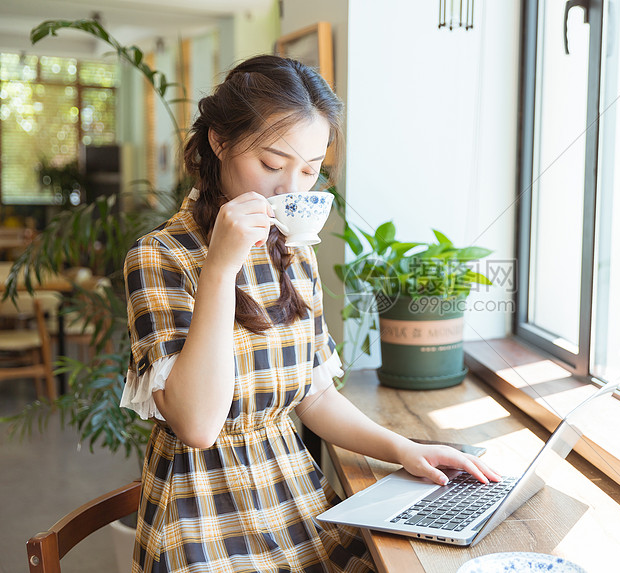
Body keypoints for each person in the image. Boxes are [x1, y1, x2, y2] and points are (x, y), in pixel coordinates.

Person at [120, 55, 499, 573]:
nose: (292, 188)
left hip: (292, 496)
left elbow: (315, 395)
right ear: (219, 141)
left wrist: (406, 448)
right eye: (273, 165)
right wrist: (219, 272)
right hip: (201, 517)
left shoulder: (293, 248)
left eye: (311, 169)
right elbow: (198, 424)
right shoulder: (158, 256)